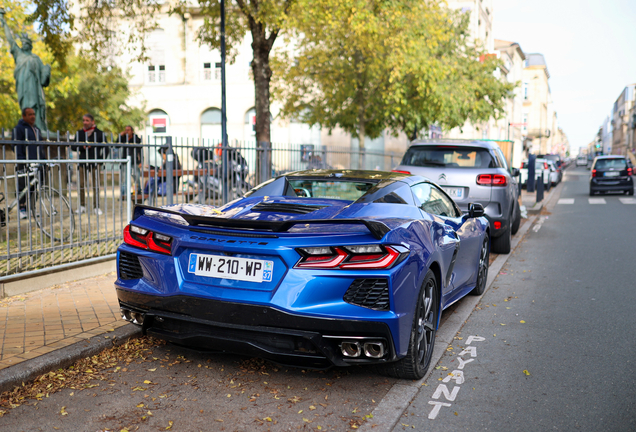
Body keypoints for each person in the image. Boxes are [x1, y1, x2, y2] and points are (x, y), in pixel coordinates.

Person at [0, 8, 51, 133]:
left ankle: (39, 127)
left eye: (26, 43)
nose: (23, 44)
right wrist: (3, 22)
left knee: (36, 106)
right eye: (22, 42)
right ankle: (29, 128)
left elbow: (44, 78)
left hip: (34, 87)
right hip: (23, 86)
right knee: (27, 107)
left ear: (30, 45)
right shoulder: (19, 54)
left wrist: (47, 70)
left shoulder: (35, 58)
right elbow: (10, 40)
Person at [72, 114, 108, 215]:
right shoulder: (79, 133)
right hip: (82, 162)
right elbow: (73, 147)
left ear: (92, 121)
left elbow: (106, 147)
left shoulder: (99, 133)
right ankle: (82, 206)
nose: (85, 122)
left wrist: (101, 160)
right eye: (83, 120)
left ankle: (96, 207)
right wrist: (81, 147)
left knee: (96, 185)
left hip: (95, 163)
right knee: (81, 185)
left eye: (87, 120)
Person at [12, 107, 44, 219]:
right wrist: (22, 161)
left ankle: (31, 208)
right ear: (24, 116)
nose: (33, 116)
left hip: (37, 163)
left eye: (34, 114)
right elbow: (16, 147)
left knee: (34, 186)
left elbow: (40, 147)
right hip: (25, 163)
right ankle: (22, 209)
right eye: (30, 114)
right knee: (23, 186)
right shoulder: (19, 129)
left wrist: (43, 160)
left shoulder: (36, 129)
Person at [117, 126, 143, 201]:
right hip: (125, 161)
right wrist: (120, 136)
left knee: (136, 178)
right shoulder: (123, 138)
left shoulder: (136, 139)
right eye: (126, 130)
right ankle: (123, 194)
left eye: (128, 130)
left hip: (134, 161)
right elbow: (116, 145)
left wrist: (141, 161)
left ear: (132, 131)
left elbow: (140, 151)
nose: (127, 131)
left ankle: (137, 192)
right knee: (124, 179)